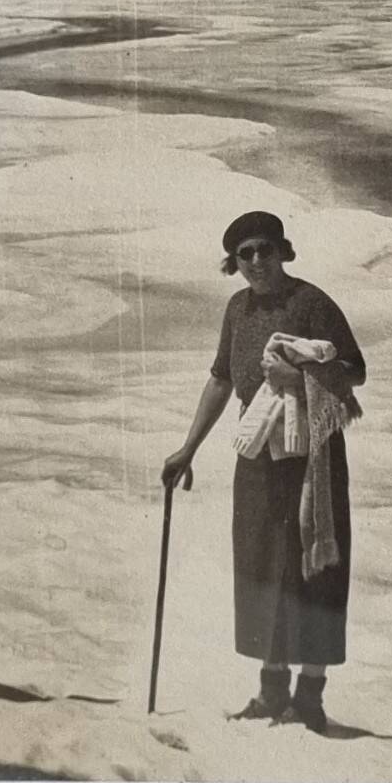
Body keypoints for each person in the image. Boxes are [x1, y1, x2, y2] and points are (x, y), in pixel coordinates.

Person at [163, 209, 366, 729]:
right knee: (262, 564)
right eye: (245, 254)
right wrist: (188, 449)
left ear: (283, 251)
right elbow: (221, 379)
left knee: (316, 566)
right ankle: (272, 693)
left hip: (313, 458)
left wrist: (301, 378)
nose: (256, 261)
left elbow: (355, 371)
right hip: (258, 456)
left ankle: (310, 699)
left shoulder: (312, 302)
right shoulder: (237, 309)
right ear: (234, 263)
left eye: (265, 249)